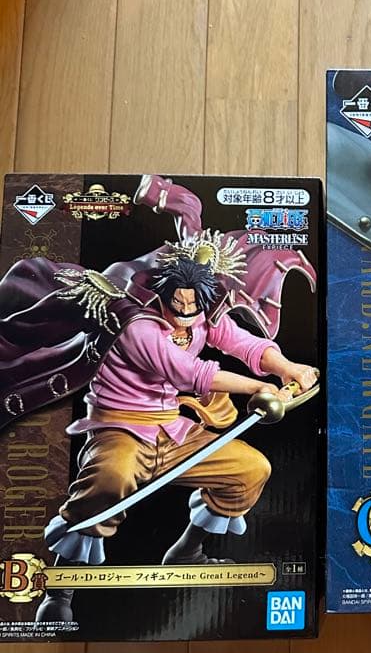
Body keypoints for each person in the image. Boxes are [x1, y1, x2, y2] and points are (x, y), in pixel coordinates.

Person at [35, 245, 317, 623]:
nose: (185, 314)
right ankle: (61, 589)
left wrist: (286, 368)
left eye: (193, 305)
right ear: (161, 295)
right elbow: (188, 372)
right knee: (108, 482)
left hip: (173, 430)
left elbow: (243, 343)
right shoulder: (137, 325)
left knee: (250, 469)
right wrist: (258, 388)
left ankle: (187, 552)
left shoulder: (202, 315)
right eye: (177, 304)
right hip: (120, 428)